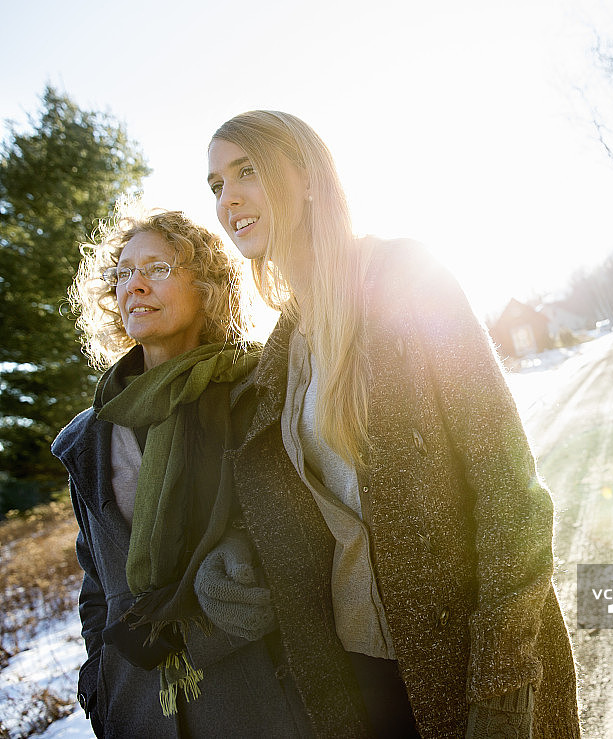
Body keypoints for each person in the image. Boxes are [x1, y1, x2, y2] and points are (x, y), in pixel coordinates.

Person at [207, 111, 581, 738]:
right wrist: (237, 552)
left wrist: (501, 683)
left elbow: (511, 491)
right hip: (362, 679)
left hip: (474, 657)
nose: (229, 197)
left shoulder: (406, 278)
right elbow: (302, 513)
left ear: (307, 177)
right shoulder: (279, 355)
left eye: (248, 170)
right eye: (215, 184)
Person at [52, 206, 311, 738]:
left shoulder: (259, 395)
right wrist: (99, 686)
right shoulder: (91, 436)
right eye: (124, 273)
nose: (135, 285)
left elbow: (299, 543)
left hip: (261, 699)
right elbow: (97, 580)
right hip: (138, 708)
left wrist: (194, 620)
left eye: (159, 268)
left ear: (209, 287)